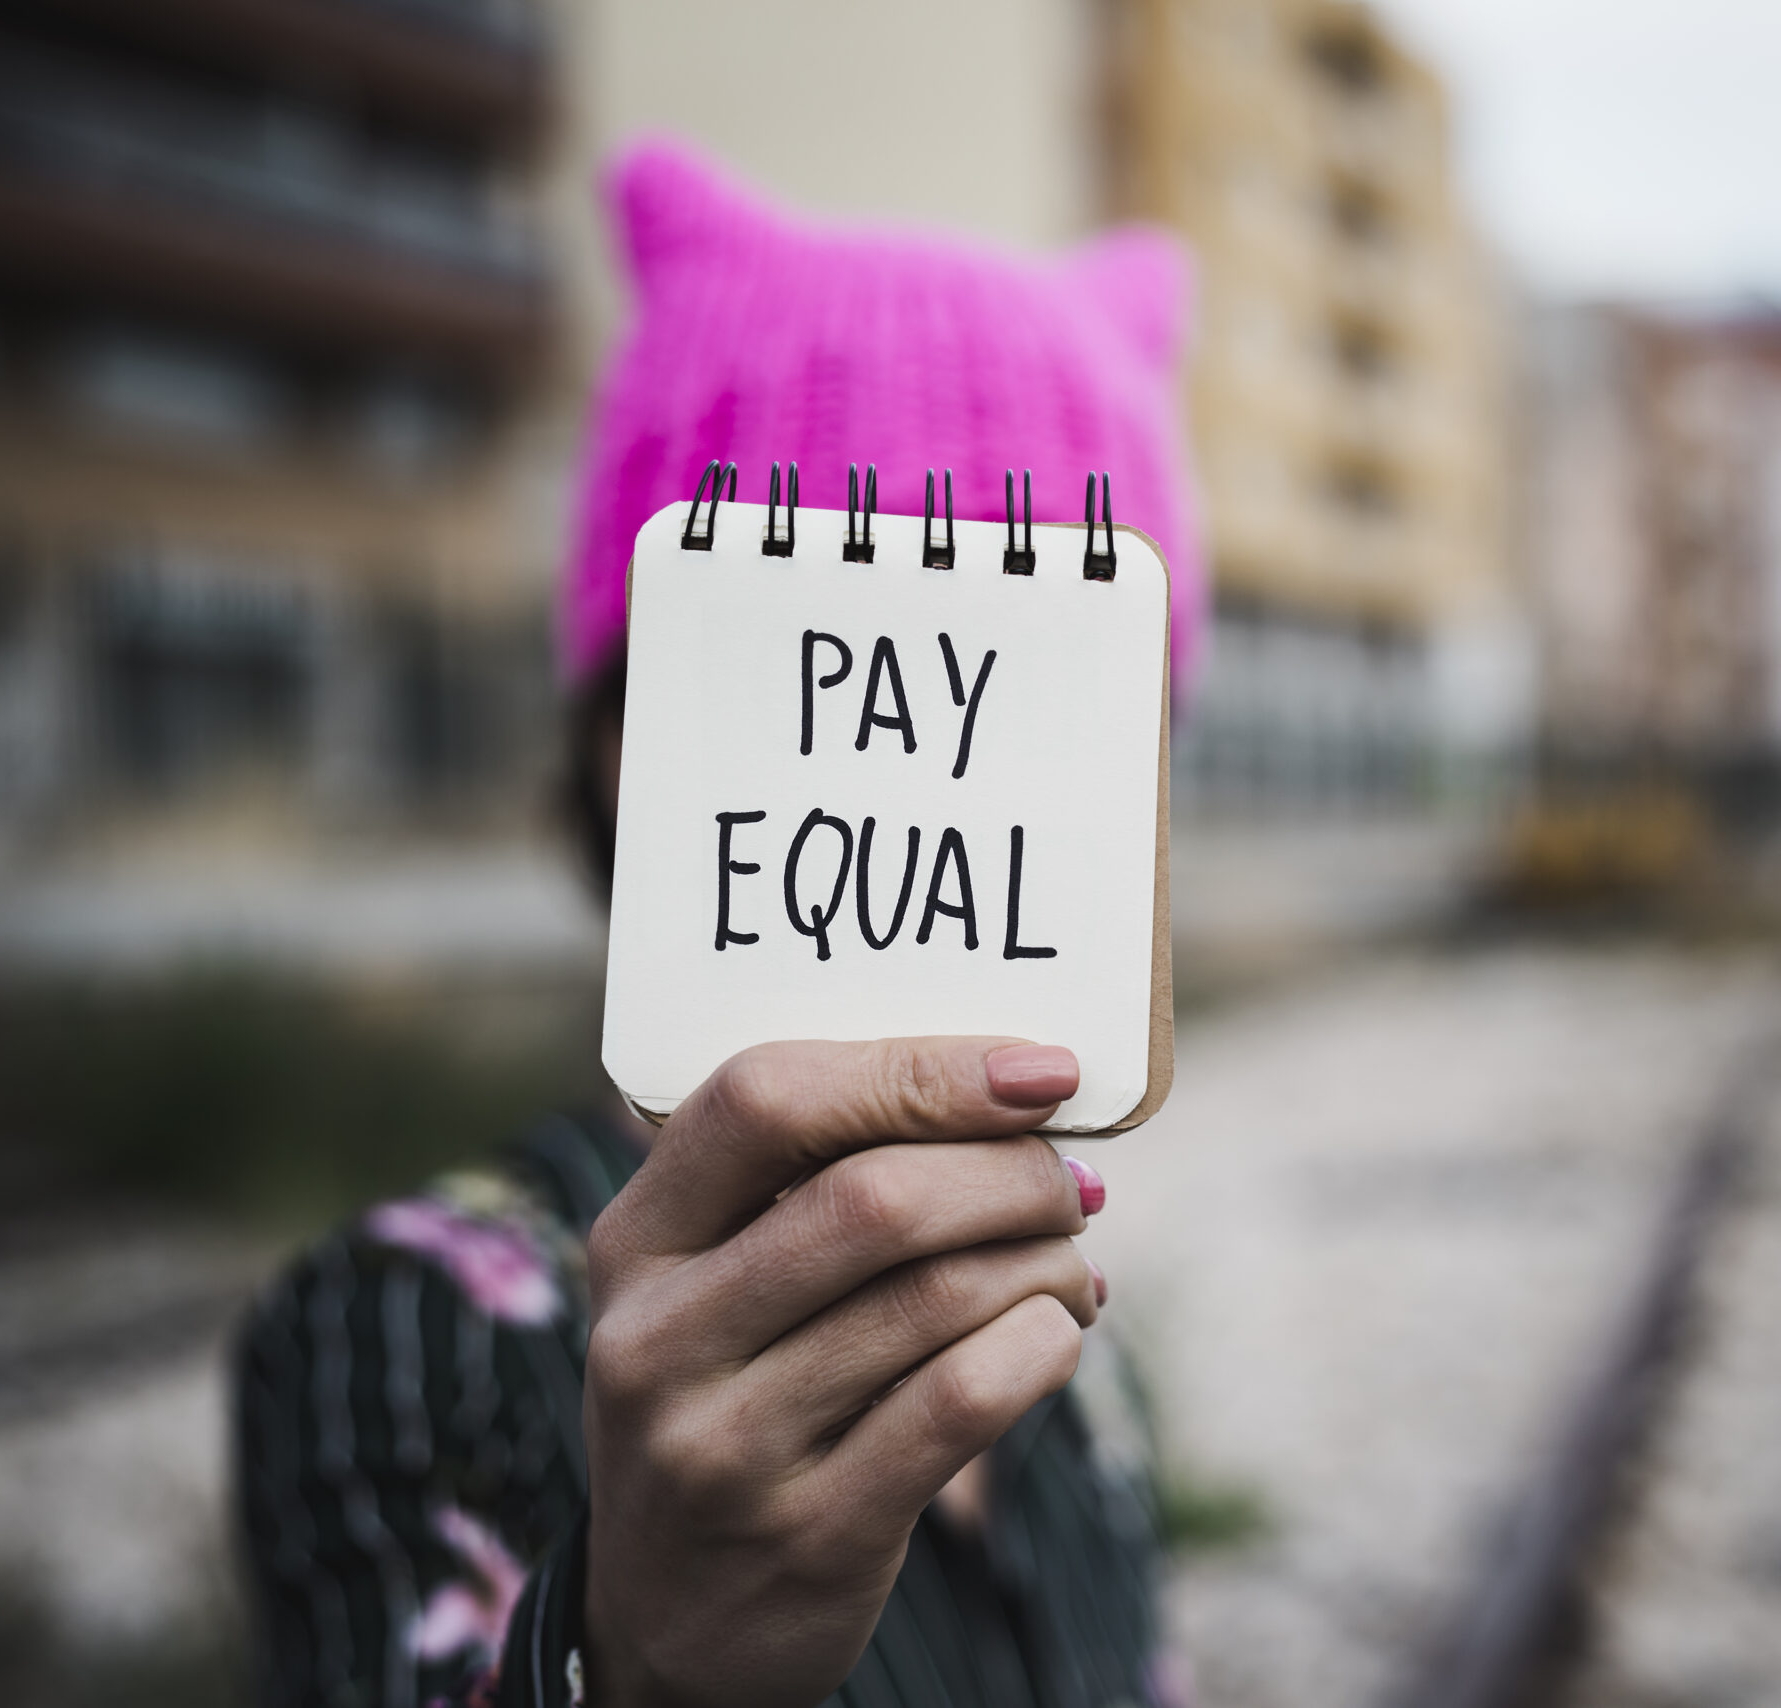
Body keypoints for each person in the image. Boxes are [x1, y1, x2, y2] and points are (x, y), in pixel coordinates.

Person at [231, 142, 1209, 1708]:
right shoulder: (404, 1337)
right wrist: (644, 1668)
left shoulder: (1081, 1382)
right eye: (830, 671)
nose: (925, 779)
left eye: (1043, 708)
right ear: (627, 747)